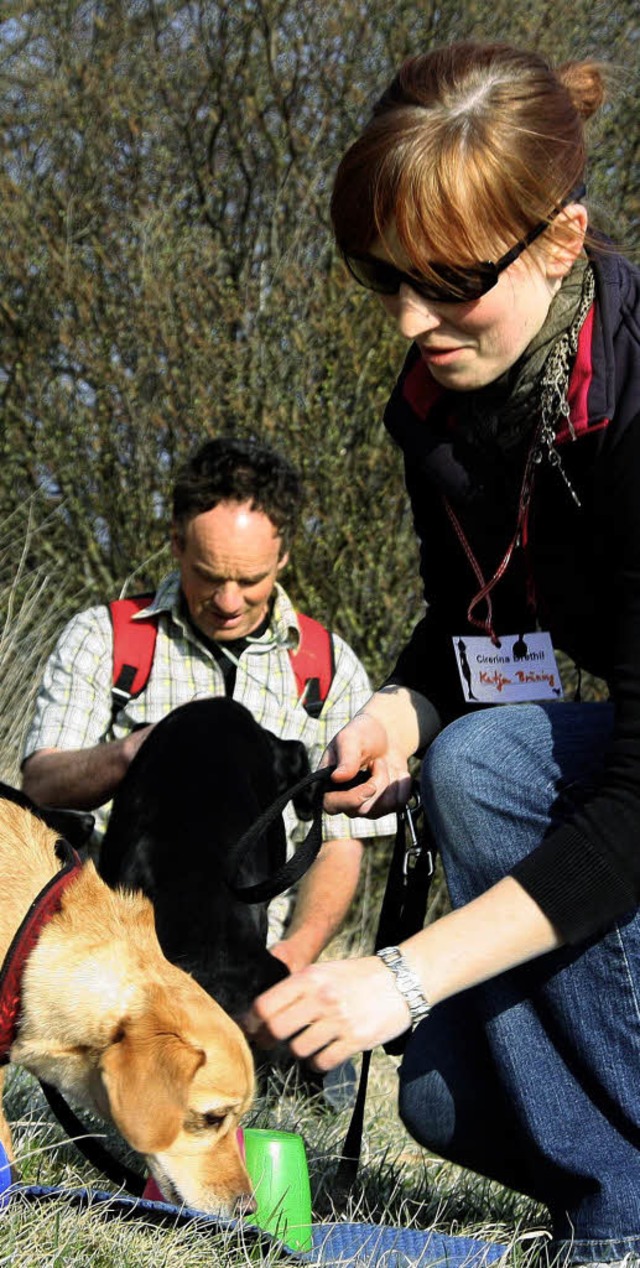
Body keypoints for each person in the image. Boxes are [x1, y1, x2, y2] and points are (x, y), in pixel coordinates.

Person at [247, 42, 640, 1267]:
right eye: (384, 279)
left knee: (490, 766)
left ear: (560, 245)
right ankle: (612, 1193)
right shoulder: (451, 400)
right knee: (443, 1101)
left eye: (450, 282)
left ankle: (620, 1222)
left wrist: (399, 979)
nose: (412, 323)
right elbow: (476, 625)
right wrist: (402, 709)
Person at [22, 436, 395, 993]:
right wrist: (134, 752)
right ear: (175, 542)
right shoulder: (104, 639)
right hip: (113, 967)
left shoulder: (329, 669)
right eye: (208, 574)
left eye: (250, 580)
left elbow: (340, 842)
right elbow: (41, 783)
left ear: (284, 555)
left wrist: (292, 961)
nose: (228, 601)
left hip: (259, 972)